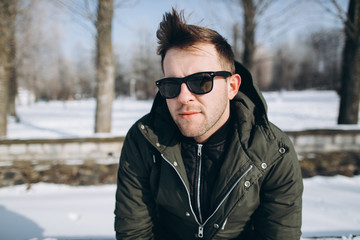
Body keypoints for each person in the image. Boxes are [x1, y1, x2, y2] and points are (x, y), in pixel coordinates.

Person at [114, 8, 303, 240]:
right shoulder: (144, 140)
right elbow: (134, 234)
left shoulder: (273, 150)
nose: (183, 97)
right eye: (171, 85)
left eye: (201, 81)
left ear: (232, 87)